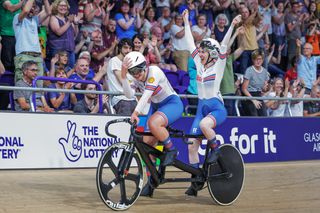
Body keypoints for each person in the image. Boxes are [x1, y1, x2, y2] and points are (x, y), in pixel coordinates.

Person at [182, 9, 242, 196]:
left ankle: (215, 150)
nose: (199, 53)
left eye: (202, 51)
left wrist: (232, 25)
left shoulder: (219, 64)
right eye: (199, 51)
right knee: (192, 144)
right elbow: (188, 42)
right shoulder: (199, 64)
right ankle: (196, 181)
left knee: (203, 125)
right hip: (201, 107)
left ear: (211, 53)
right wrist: (185, 21)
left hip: (216, 107)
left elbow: (224, 46)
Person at [120, 51, 184, 196]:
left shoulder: (154, 71)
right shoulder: (135, 76)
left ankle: (171, 150)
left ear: (145, 65)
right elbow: (129, 95)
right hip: (156, 107)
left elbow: (146, 95)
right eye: (132, 72)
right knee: (146, 147)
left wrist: (136, 112)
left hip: (172, 104)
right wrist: (124, 76)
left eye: (138, 70)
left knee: (153, 123)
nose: (136, 75)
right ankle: (152, 181)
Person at [13, 0, 51, 85]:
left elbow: (49, 12)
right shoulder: (17, 17)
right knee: (22, 84)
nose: (32, 8)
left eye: (34, 7)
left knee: (39, 86)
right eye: (31, 6)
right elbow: (26, 10)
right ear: (23, 6)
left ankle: (37, 98)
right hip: (24, 55)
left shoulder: (35, 19)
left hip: (37, 56)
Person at [107, 38, 139, 115]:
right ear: (120, 48)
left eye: (130, 48)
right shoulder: (114, 61)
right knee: (125, 125)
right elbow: (123, 81)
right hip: (119, 98)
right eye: (125, 47)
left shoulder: (131, 63)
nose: (128, 50)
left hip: (132, 98)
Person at [241, 49, 270, 116]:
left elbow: (264, 89)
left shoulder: (265, 72)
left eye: (260, 59)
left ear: (262, 60)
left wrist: (265, 88)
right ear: (253, 60)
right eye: (256, 59)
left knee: (264, 116)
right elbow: (244, 89)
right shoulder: (249, 70)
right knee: (254, 115)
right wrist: (253, 100)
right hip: (249, 96)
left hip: (259, 96)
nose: (258, 61)